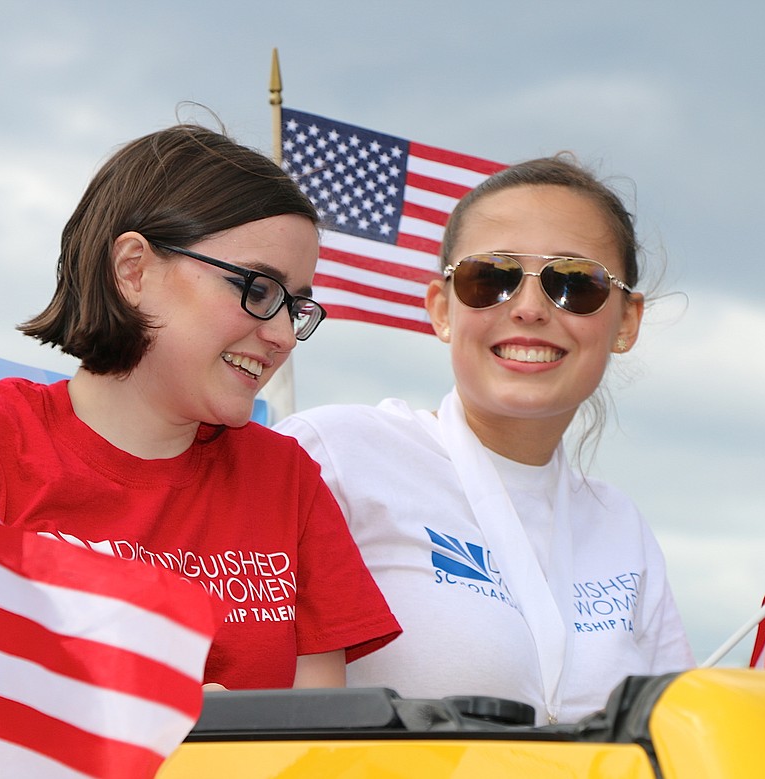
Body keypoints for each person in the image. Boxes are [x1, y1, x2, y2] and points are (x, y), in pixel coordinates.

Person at [0, 124, 400, 691]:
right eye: (259, 290)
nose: (284, 335)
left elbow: (317, 738)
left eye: (297, 306)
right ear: (133, 270)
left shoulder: (286, 481)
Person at [275, 153, 694, 723]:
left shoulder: (620, 527)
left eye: (574, 283)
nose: (528, 309)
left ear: (626, 321)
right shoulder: (336, 455)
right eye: (490, 279)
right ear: (441, 308)